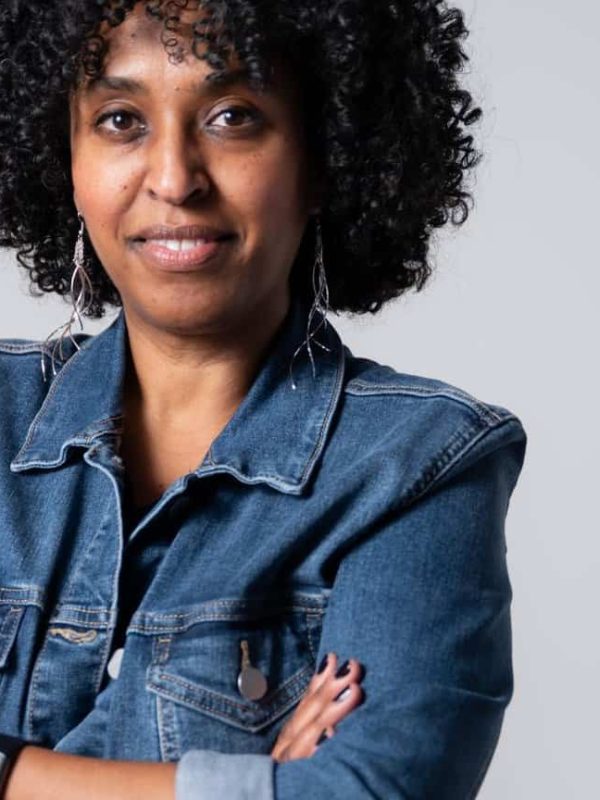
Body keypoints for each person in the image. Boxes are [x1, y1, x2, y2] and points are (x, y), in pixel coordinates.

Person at [0, 1, 527, 798]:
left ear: (322, 158)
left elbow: (373, 792)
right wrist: (248, 784)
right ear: (61, 154)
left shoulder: (419, 465)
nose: (174, 178)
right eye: (119, 119)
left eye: (232, 116)